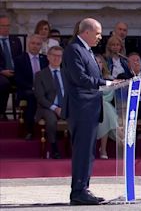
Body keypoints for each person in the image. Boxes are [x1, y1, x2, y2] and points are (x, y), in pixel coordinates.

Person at [62, 18, 115, 205]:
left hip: (90, 107)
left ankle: (83, 188)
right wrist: (107, 83)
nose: (100, 37)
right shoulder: (74, 50)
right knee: (83, 151)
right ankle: (78, 191)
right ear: (86, 32)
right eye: (98, 33)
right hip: (81, 108)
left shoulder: (86, 50)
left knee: (88, 152)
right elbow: (80, 78)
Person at [14, 34, 48, 140]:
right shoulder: (20, 59)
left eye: (38, 44)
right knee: (32, 97)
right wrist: (34, 88)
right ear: (28, 44)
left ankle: (54, 129)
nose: (35, 46)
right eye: (33, 43)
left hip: (43, 90)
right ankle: (29, 129)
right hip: (27, 90)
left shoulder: (45, 59)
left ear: (41, 46)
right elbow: (18, 79)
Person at [33, 46, 64, 159]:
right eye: (54, 56)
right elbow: (40, 97)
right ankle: (54, 147)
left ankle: (76, 148)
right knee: (51, 120)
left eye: (59, 56)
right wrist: (55, 108)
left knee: (77, 117)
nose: (57, 58)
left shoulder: (67, 74)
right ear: (48, 57)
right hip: (47, 107)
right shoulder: (40, 75)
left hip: (65, 106)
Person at [94, 54, 117, 160]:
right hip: (91, 107)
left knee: (105, 109)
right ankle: (104, 148)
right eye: (95, 62)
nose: (98, 64)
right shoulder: (87, 78)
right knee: (106, 109)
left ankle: (103, 149)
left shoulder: (109, 78)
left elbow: (109, 96)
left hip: (105, 107)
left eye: (99, 62)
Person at [0, 14, 23, 120]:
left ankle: (23, 113)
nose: (6, 28)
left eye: (7, 26)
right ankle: (1, 112)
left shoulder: (16, 41)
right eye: (3, 26)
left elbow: (20, 59)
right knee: (4, 83)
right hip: (1, 73)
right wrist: (2, 71)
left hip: (15, 72)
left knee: (27, 81)